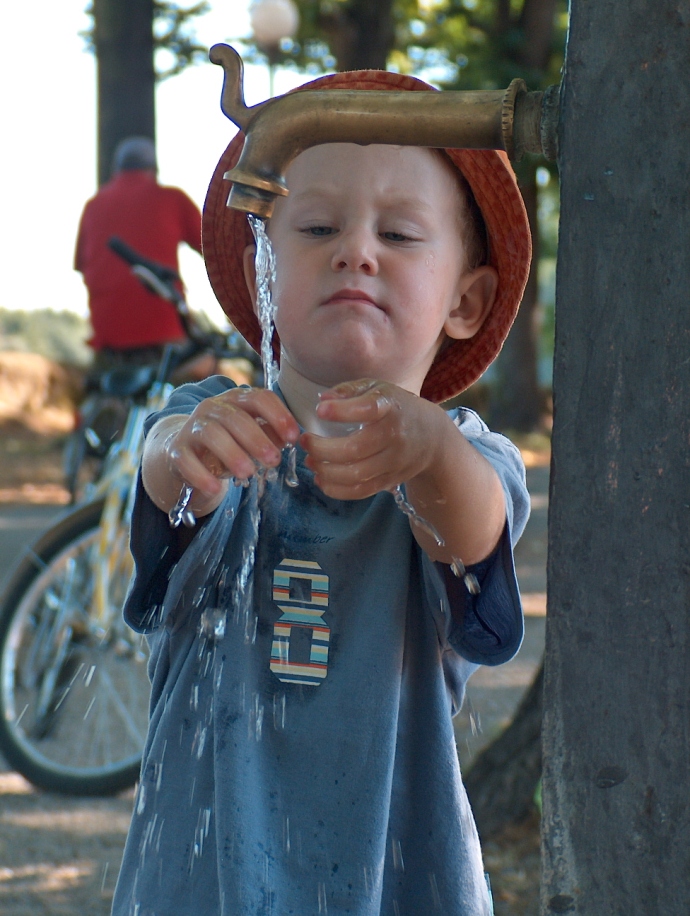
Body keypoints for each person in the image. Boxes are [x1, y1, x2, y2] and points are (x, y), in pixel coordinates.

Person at [111, 69, 532, 916]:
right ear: (262, 264)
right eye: (315, 226)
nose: (356, 250)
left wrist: (430, 449)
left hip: (395, 882)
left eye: (402, 235)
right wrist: (175, 451)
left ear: (467, 299)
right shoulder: (212, 424)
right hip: (200, 886)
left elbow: (476, 527)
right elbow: (165, 483)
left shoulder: (466, 461)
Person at [74, 136, 204, 373]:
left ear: (116, 170)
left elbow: (82, 266)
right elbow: (215, 251)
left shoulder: (93, 205)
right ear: (153, 169)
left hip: (107, 337)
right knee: (207, 371)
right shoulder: (171, 199)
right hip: (164, 334)